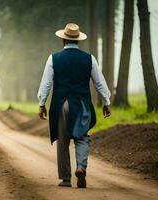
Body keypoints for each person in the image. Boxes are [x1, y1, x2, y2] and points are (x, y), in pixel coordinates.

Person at [37, 23, 111, 188]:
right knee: (82, 137)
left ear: (63, 39)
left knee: (62, 141)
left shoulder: (53, 58)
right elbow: (100, 83)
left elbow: (46, 84)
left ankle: (65, 179)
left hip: (61, 104)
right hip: (81, 103)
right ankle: (81, 167)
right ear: (78, 40)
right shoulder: (89, 59)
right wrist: (106, 102)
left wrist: (42, 104)